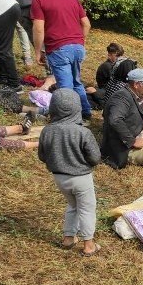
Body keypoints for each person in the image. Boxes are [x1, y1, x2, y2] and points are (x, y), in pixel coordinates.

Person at [38, 89, 102, 256]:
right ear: (77, 108)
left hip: (59, 178)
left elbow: (42, 156)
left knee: (73, 205)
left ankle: (68, 238)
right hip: (81, 178)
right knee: (87, 209)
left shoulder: (47, 131)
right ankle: (89, 244)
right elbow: (95, 157)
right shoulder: (82, 132)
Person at [30, 0, 92, 119]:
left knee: (65, 86)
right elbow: (87, 24)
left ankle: (70, 118)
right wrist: (79, 42)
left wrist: (38, 51)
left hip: (58, 48)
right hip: (78, 47)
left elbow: (38, 28)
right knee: (77, 81)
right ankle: (85, 111)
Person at [86, 42, 124, 110]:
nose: (119, 59)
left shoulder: (116, 65)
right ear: (109, 55)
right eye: (117, 56)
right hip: (105, 90)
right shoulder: (107, 66)